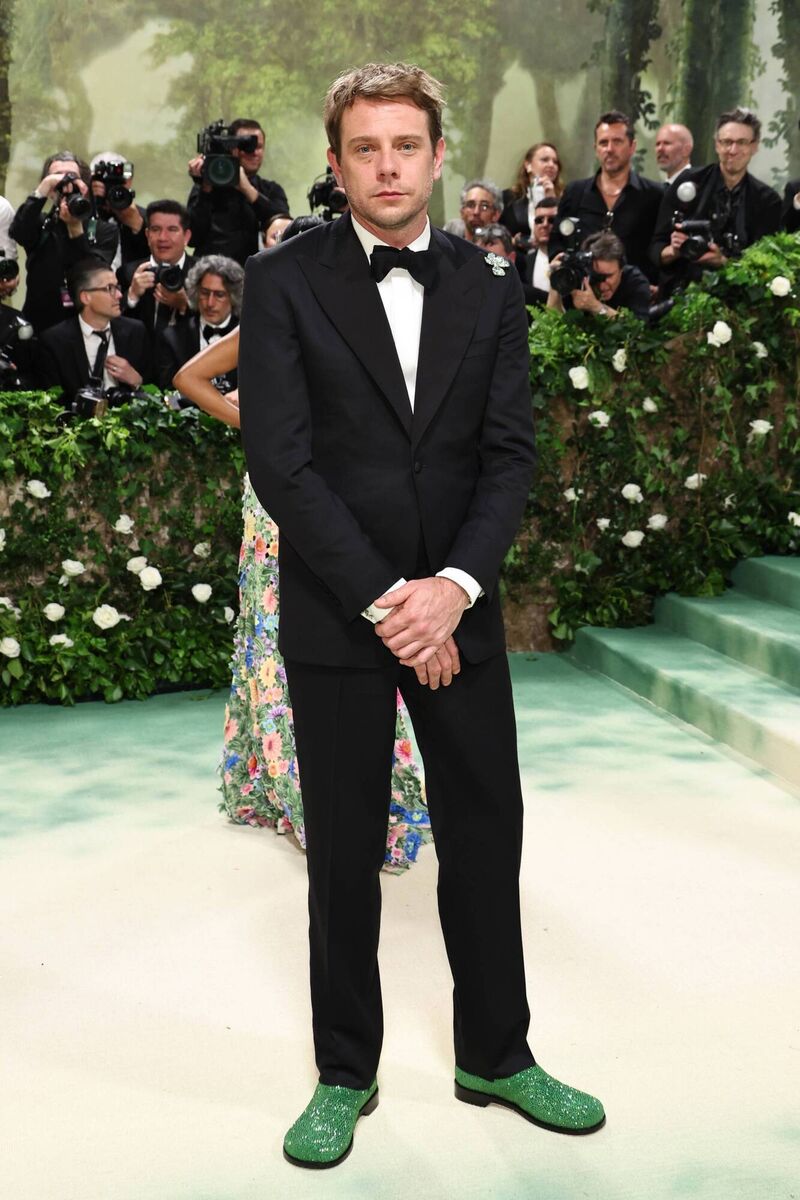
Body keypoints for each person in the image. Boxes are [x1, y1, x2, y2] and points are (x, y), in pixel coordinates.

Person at [238, 60, 605, 1170]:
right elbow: (282, 463)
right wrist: (391, 600)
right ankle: (344, 1072)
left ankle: (495, 1050)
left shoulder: (491, 285)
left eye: (406, 146)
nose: (388, 166)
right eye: (365, 148)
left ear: (439, 157)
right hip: (342, 609)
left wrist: (452, 591)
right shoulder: (282, 281)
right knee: (343, 852)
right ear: (338, 161)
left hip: (461, 608)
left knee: (484, 838)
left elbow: (507, 459)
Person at [172, 331, 430, 869]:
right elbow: (188, 378)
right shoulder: (272, 309)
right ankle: (302, 794)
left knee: (349, 637)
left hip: (345, 495)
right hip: (281, 501)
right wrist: (258, 426)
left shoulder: (359, 313)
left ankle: (360, 796)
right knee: (276, 645)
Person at [650, 107, 782, 294]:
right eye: (727, 142)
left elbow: (766, 269)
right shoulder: (687, 183)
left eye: (742, 142)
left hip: (739, 303)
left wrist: (723, 262)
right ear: (717, 145)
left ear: (754, 146)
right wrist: (675, 250)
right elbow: (656, 249)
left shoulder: (767, 201)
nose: (733, 150)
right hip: (681, 296)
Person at [9, 152, 119, 333]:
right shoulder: (42, 224)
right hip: (39, 327)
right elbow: (18, 231)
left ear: (84, 184)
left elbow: (92, 275)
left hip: (81, 330)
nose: (66, 183)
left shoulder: (103, 230)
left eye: (72, 177)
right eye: (57, 176)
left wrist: (75, 229)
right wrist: (43, 188)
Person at [548, 110, 663, 282]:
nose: (609, 149)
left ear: (632, 147)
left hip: (634, 293)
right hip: (581, 291)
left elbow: (659, 246)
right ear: (596, 149)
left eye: (617, 141)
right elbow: (557, 239)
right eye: (603, 143)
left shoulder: (654, 195)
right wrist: (559, 259)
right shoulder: (575, 192)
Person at [36, 257, 151, 398]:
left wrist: (136, 381)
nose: (120, 295)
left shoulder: (135, 331)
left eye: (118, 287)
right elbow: (52, 401)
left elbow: (156, 392)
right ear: (85, 297)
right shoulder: (54, 342)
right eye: (110, 289)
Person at [186, 118, 289, 265]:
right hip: (210, 276)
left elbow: (283, 231)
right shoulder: (206, 188)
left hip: (254, 275)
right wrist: (206, 189)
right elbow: (193, 239)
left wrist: (247, 189)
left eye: (258, 146)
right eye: (247, 146)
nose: (254, 152)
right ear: (231, 148)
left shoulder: (271, 190)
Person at [156, 253, 242, 392]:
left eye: (219, 295)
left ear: (233, 296)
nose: (210, 303)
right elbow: (168, 394)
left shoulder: (248, 336)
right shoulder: (173, 337)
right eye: (205, 293)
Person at [119, 200, 193, 343]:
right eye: (156, 229)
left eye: (172, 230)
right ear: (147, 235)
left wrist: (185, 306)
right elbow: (115, 329)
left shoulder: (203, 274)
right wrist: (131, 296)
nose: (162, 238)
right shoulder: (128, 273)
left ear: (186, 237)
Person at [547, 230, 652, 319]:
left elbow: (638, 332)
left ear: (621, 269)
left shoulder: (635, 282)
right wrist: (556, 282)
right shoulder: (578, 278)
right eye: (596, 276)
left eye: (608, 276)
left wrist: (596, 307)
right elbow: (552, 324)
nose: (602, 286)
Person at [89, 151, 148, 267]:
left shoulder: (145, 217)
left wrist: (139, 228)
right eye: (105, 182)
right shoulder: (82, 214)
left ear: (130, 181)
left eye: (119, 182)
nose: (113, 187)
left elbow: (157, 258)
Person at [501, 142, 564, 245]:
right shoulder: (508, 198)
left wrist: (552, 201)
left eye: (555, 162)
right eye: (545, 160)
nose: (551, 165)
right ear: (528, 165)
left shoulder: (565, 199)